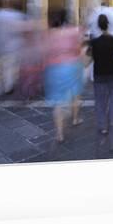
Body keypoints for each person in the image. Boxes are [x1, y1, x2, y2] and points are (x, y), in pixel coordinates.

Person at [43, 9, 84, 143]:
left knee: (58, 103)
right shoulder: (73, 31)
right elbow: (78, 49)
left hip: (54, 69)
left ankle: (59, 134)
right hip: (72, 66)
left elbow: (45, 52)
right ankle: (75, 118)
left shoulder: (48, 34)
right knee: (75, 94)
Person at [88, 14, 113, 152]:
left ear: (98, 25)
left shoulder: (94, 42)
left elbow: (87, 60)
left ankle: (103, 127)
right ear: (108, 24)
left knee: (100, 102)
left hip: (99, 75)